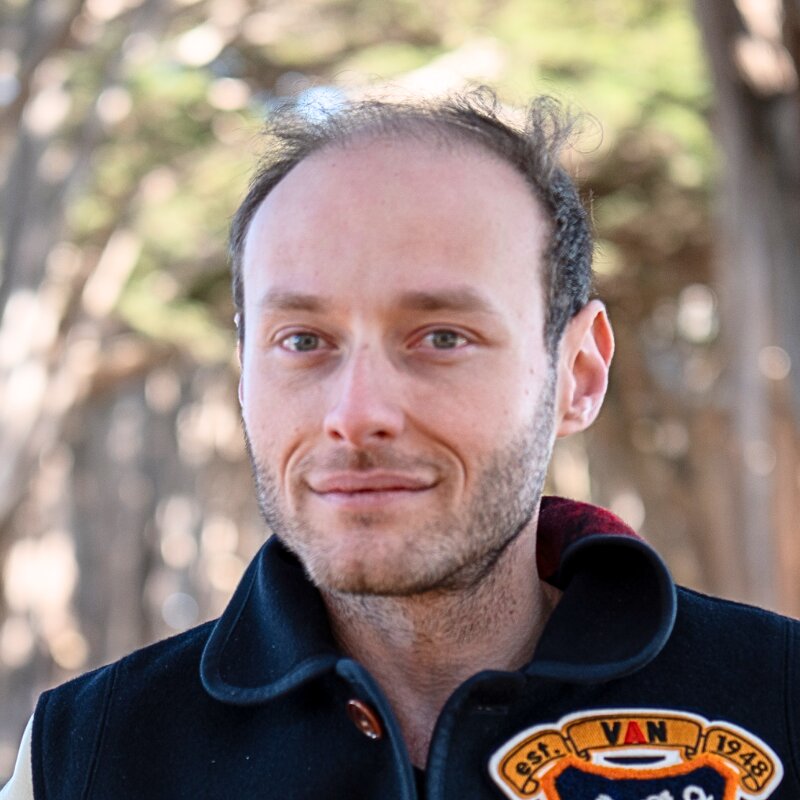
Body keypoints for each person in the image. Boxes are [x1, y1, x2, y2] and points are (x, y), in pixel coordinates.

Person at [2, 90, 798, 800]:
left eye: (442, 337)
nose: (357, 413)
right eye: (304, 339)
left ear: (578, 374)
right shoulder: (84, 757)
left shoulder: (780, 701)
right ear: (244, 373)